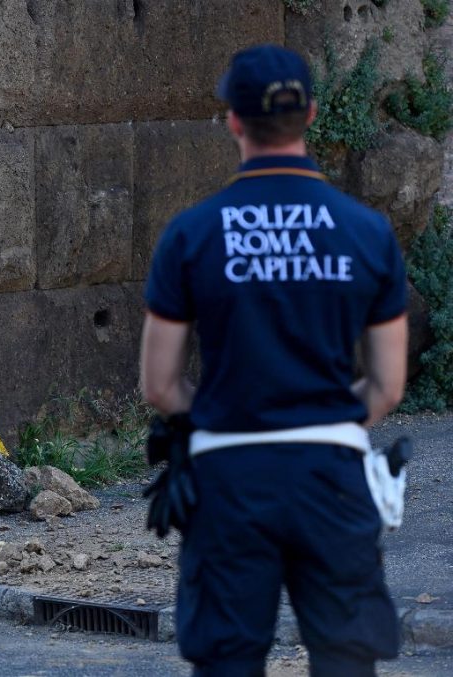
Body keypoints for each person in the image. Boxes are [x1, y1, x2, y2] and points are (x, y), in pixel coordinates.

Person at [140, 45, 408, 676]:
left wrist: (216, 418)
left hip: (229, 479)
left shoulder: (191, 233)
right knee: (347, 657)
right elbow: (388, 385)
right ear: (311, 113)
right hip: (330, 476)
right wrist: (330, 422)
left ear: (232, 121)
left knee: (227, 660)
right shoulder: (366, 231)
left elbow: (158, 384)